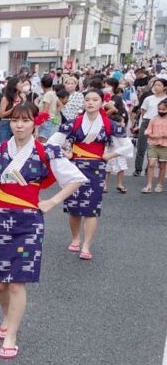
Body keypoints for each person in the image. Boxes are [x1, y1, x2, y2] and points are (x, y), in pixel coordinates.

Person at [0, 103, 86, 358]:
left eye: (25, 120)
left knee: (17, 283)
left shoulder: (46, 151)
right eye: (15, 120)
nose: (19, 125)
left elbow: (76, 178)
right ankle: (7, 317)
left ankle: (12, 333)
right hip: (1, 218)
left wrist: (51, 201)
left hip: (29, 221)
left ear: (34, 123)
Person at [47, 89, 132, 258]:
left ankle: (86, 246)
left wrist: (109, 155)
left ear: (102, 102)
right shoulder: (73, 123)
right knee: (74, 208)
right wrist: (67, 154)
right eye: (87, 99)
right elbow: (52, 142)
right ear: (83, 102)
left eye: (95, 99)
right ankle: (75, 238)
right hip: (74, 167)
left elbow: (127, 146)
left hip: (96, 168)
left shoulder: (109, 124)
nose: (90, 103)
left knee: (91, 208)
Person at [135, 78, 167, 176]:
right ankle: (138, 169)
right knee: (141, 147)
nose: (156, 87)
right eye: (155, 85)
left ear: (165, 87)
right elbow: (143, 112)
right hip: (146, 122)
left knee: (153, 147)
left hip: (160, 124)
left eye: (159, 85)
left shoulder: (165, 99)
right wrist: (141, 125)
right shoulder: (148, 98)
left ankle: (148, 170)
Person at [141, 99, 167, 194]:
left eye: (163, 109)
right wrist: (153, 135)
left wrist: (164, 135)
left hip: (165, 146)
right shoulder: (154, 118)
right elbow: (147, 131)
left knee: (162, 166)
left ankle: (159, 184)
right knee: (151, 164)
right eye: (159, 109)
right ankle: (149, 185)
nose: (161, 111)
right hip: (153, 144)